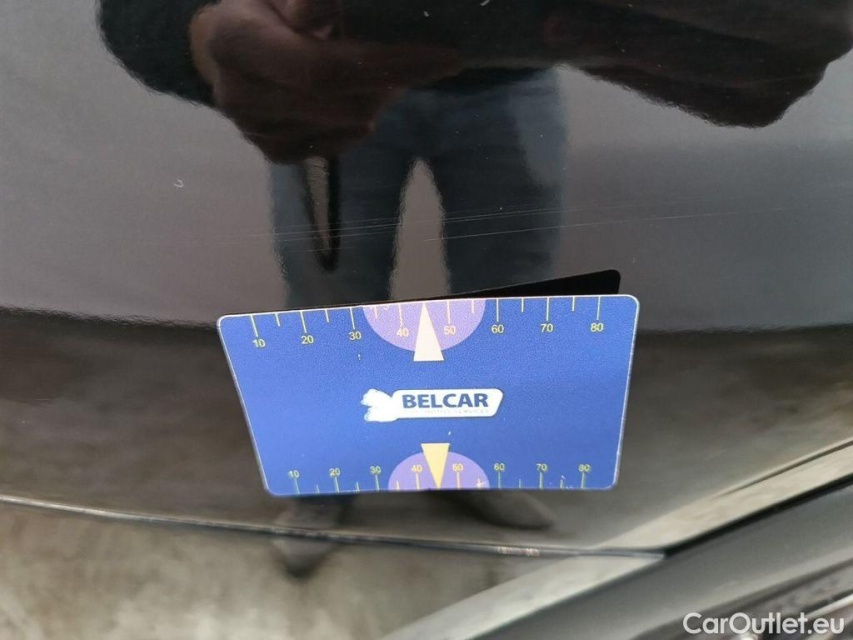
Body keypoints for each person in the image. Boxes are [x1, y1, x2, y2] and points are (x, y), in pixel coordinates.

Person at [99, 0, 851, 575]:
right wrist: (198, 31)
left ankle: (476, 465)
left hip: (496, 77)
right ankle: (326, 483)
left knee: (508, 291)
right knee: (333, 292)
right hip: (355, 66)